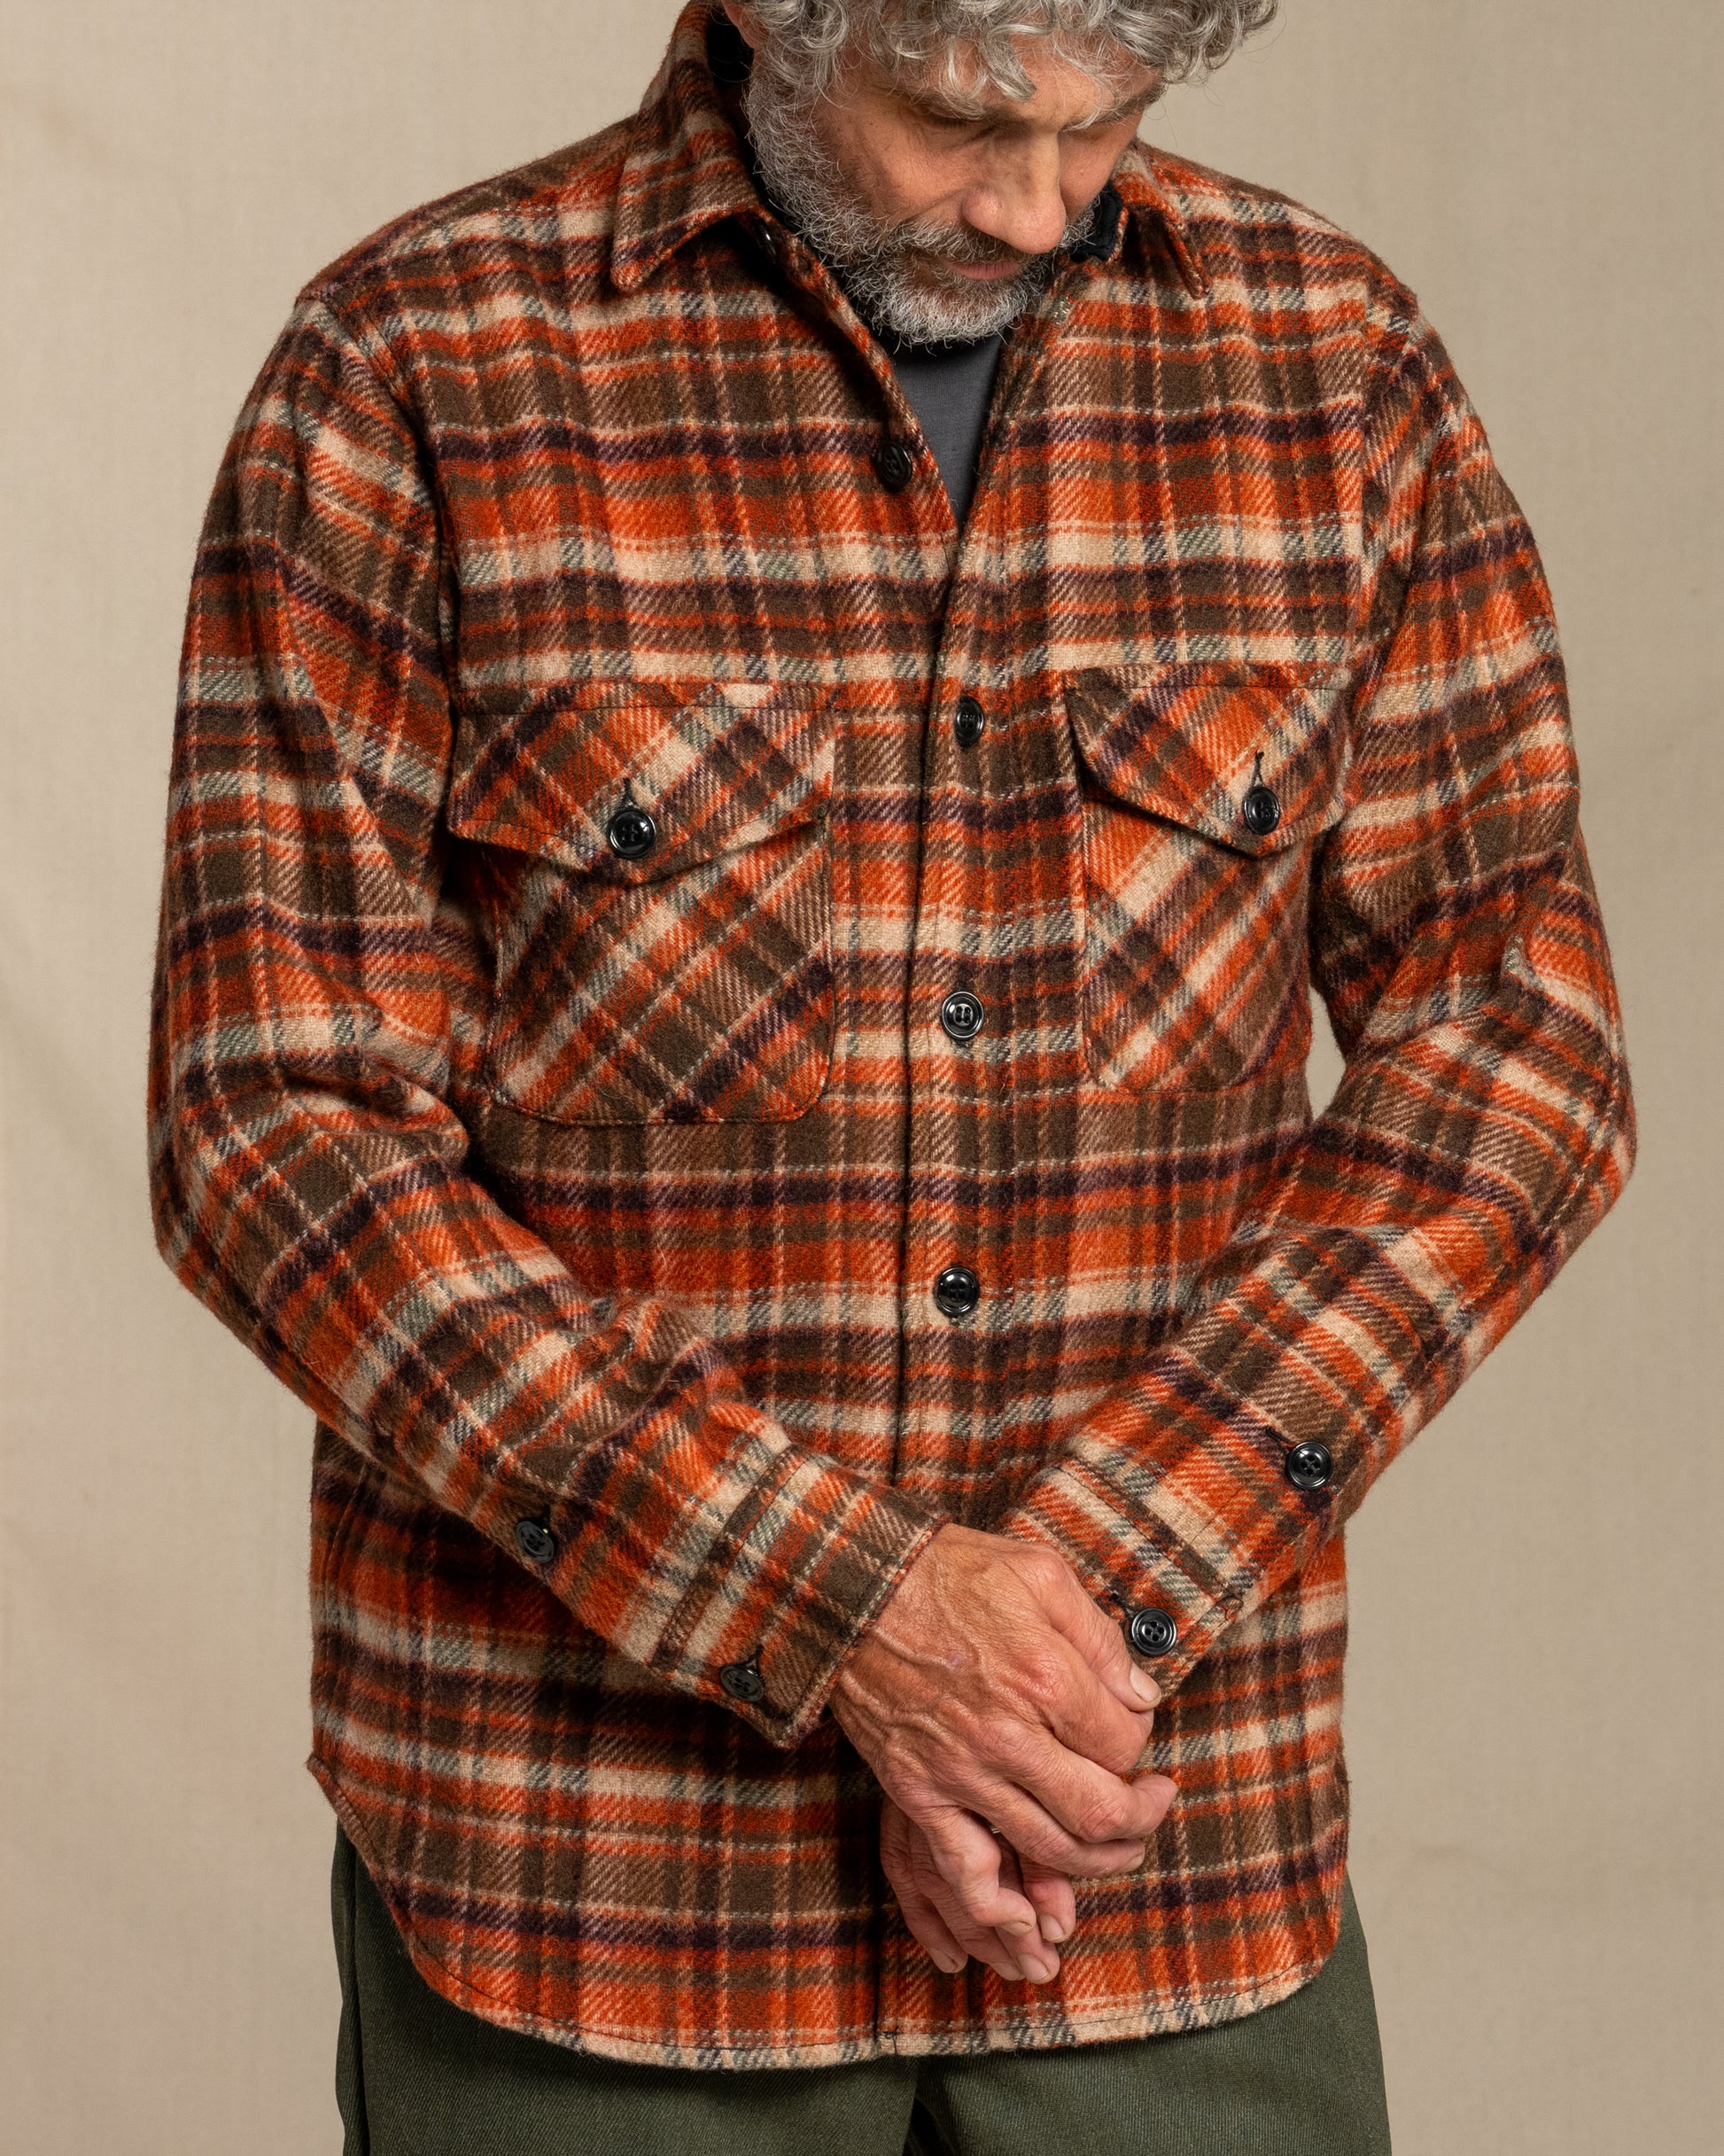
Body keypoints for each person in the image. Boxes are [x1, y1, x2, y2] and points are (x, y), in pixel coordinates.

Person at [148, 3, 1635, 2149]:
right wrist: (837, 1600)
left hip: (1154, 1870)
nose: (1041, 202)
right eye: (959, 118)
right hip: (586, 1906)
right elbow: (271, 1127)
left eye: (1111, 123)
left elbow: (1519, 1050)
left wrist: (1070, 1628)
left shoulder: (1337, 365)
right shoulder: (415, 367)